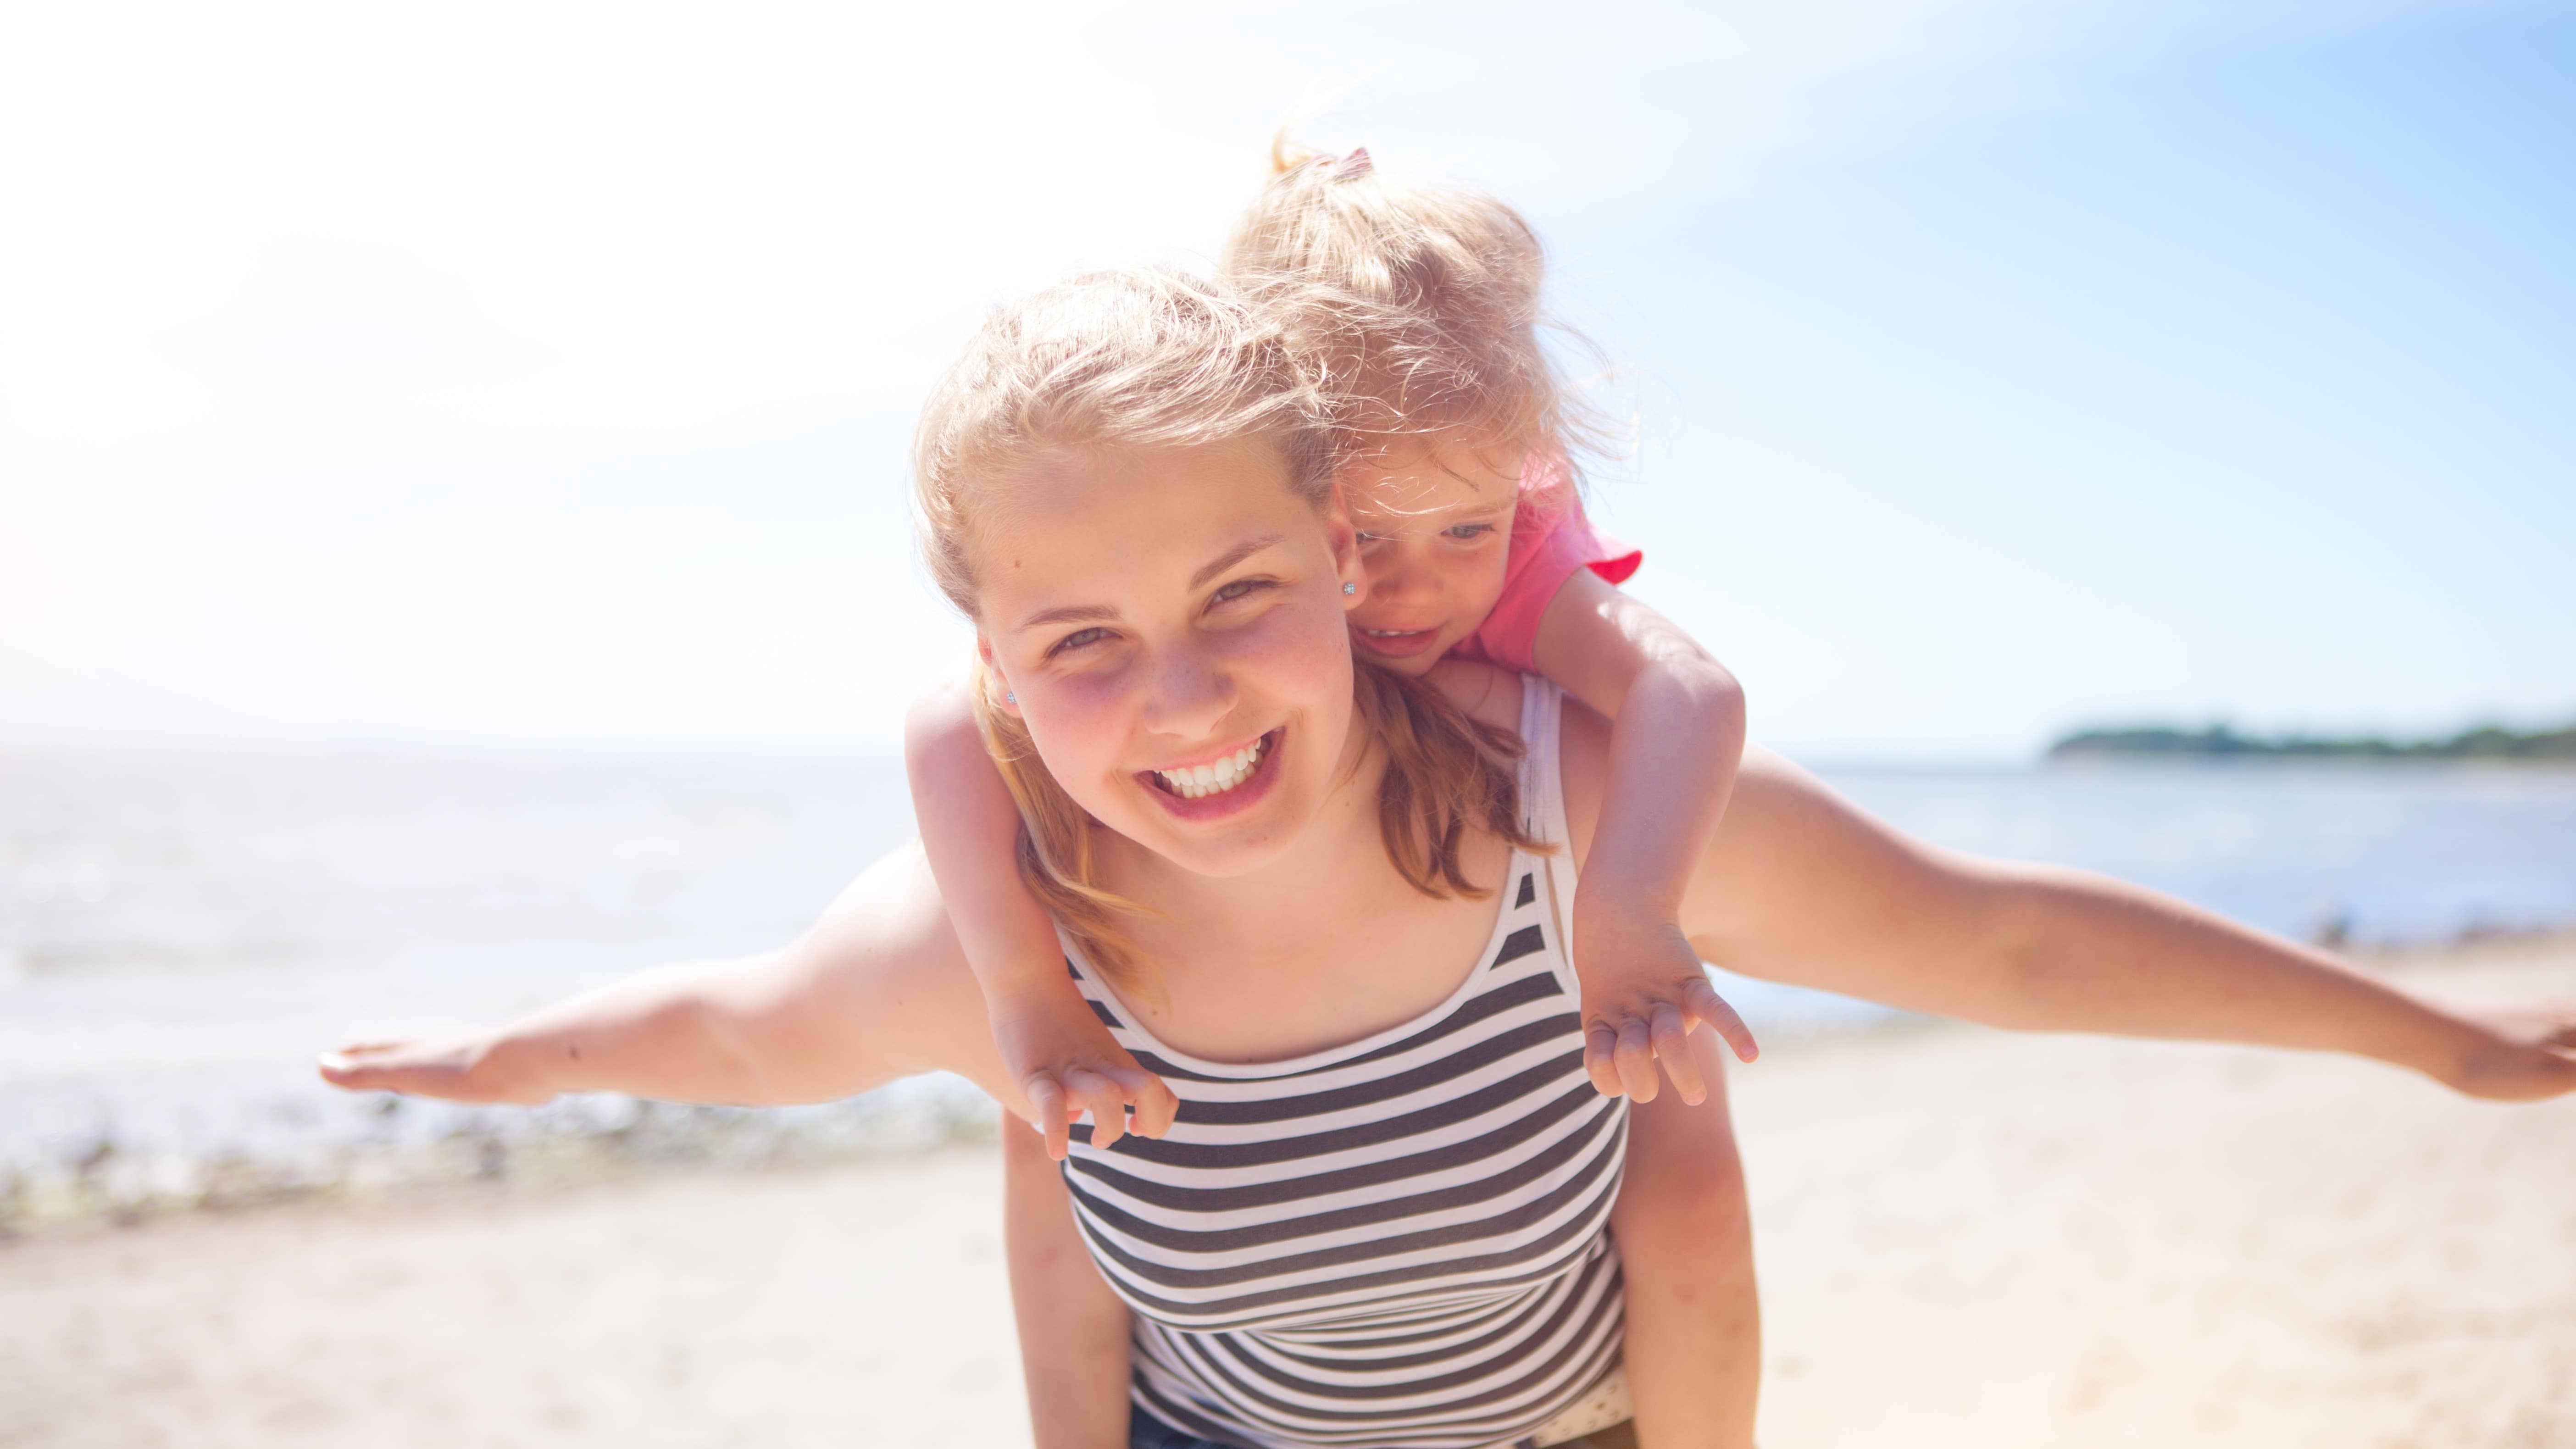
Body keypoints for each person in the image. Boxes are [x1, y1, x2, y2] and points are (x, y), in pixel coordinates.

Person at [320, 269, 2576, 1449]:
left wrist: (2432, 1044)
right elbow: (737, 1022)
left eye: (1239, 596)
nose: (1184, 700)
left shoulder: (1553, 807)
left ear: (1344, 553)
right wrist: (511, 1048)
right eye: (1084, 646)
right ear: (988, 661)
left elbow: (1989, 930)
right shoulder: (1009, 919)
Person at [903, 143, 1756, 1167]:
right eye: (1372, 536)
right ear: (1321, 522)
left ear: (1519, 499)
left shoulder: (1526, 568)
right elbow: (954, 718)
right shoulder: (1236, 566)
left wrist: (1633, 900)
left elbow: (1690, 687)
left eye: (1464, 531)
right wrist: (1025, 990)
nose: (1410, 589)